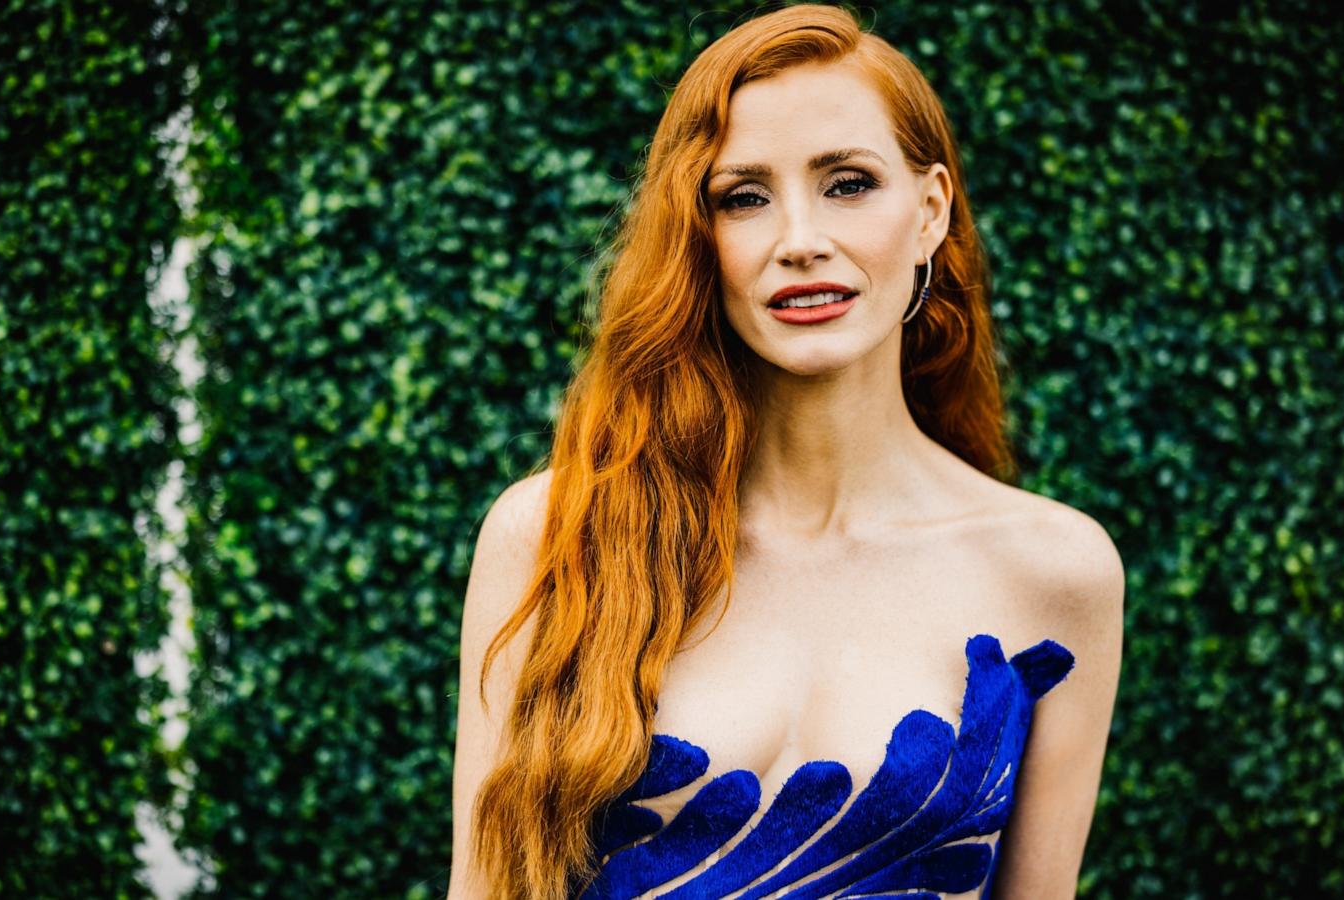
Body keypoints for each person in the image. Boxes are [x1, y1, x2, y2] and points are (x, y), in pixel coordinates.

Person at [448, 4, 1124, 898]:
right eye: (745, 197)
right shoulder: (554, 536)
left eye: (847, 183)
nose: (800, 241)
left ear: (929, 213)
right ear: (700, 237)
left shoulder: (1056, 572)